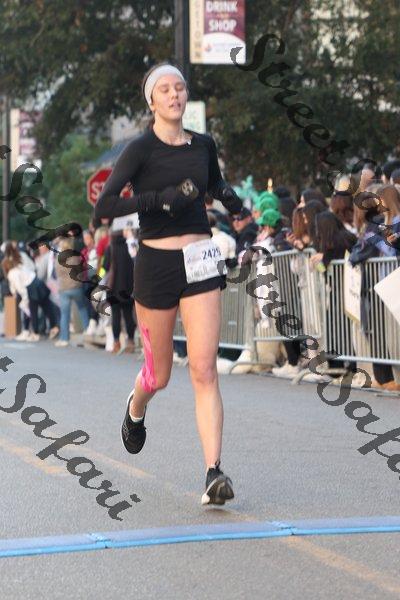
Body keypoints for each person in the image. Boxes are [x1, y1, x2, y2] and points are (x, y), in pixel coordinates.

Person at [94, 61, 243, 506]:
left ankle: (214, 472)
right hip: (156, 264)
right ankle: (136, 407)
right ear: (152, 101)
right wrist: (158, 200)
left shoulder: (203, 144)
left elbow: (213, 183)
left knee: (203, 368)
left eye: (179, 87)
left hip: (200, 260)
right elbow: (105, 206)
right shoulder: (139, 149)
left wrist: (228, 197)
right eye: (165, 89)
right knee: (157, 374)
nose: (175, 94)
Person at [2, 244, 58, 342]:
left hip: (31, 287)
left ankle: (35, 333)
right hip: (37, 282)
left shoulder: (11, 274)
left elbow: (21, 289)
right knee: (46, 306)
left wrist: (25, 300)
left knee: (33, 310)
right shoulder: (19, 266)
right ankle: (54, 326)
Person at [103, 231, 137, 354]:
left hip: (113, 289)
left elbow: (105, 266)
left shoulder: (110, 248)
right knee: (128, 316)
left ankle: (116, 343)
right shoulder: (130, 247)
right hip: (128, 288)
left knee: (116, 316)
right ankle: (131, 342)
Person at [54, 237, 90, 347]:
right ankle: (87, 332)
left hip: (64, 289)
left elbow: (57, 274)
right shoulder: (76, 257)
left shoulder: (59, 258)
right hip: (76, 287)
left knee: (64, 314)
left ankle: (64, 339)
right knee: (82, 308)